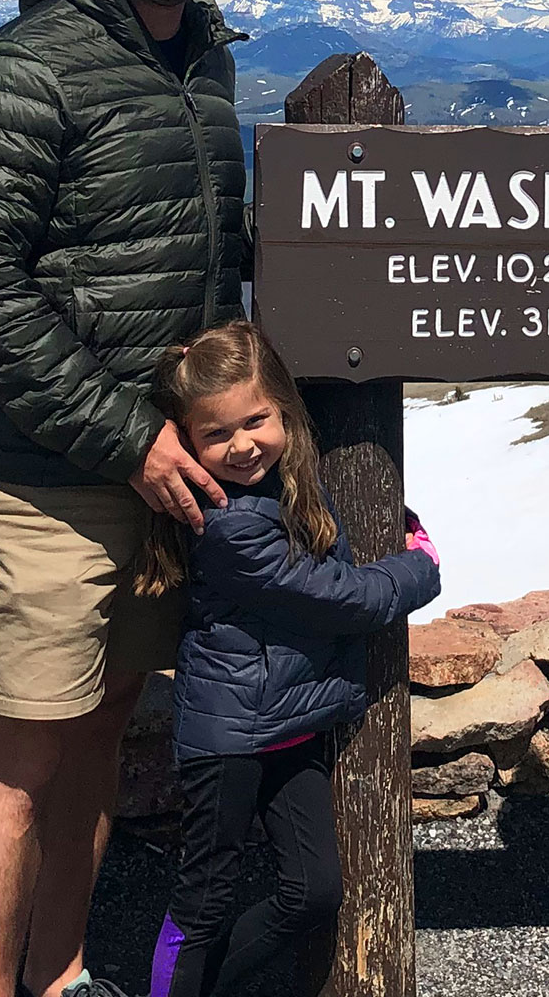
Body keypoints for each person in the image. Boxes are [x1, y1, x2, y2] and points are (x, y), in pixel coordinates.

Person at [0, 0, 249, 997]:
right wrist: (129, 437)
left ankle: (58, 974)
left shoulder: (201, 64)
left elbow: (206, 255)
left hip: (165, 472)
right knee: (23, 757)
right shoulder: (24, 67)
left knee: (104, 739)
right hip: (47, 477)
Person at [134, 323, 440, 997]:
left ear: (284, 413)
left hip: (286, 724)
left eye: (256, 420)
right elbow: (336, 597)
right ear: (187, 442)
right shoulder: (230, 523)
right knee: (205, 899)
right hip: (230, 738)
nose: (242, 445)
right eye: (216, 435)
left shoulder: (285, 481)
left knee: (314, 893)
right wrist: (421, 567)